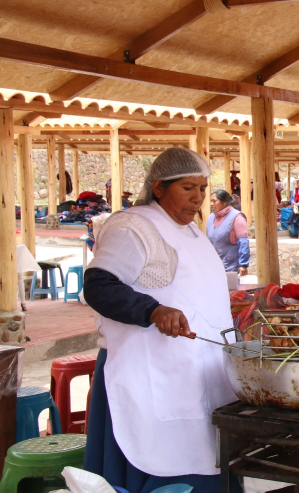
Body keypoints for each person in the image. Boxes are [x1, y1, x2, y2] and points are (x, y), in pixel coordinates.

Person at [82, 147, 241, 493]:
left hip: (200, 373)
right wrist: (152, 310)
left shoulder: (192, 232)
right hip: (151, 373)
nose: (198, 198)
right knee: (163, 459)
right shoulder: (134, 226)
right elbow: (99, 285)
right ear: (158, 187)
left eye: (202, 188)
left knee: (211, 455)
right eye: (187, 188)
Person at [207, 189, 250, 276]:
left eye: (214, 201)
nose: (211, 204)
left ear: (224, 203)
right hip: (212, 265)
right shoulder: (210, 218)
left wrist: (243, 264)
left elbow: (243, 242)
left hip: (230, 267)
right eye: (211, 201)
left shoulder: (237, 218)